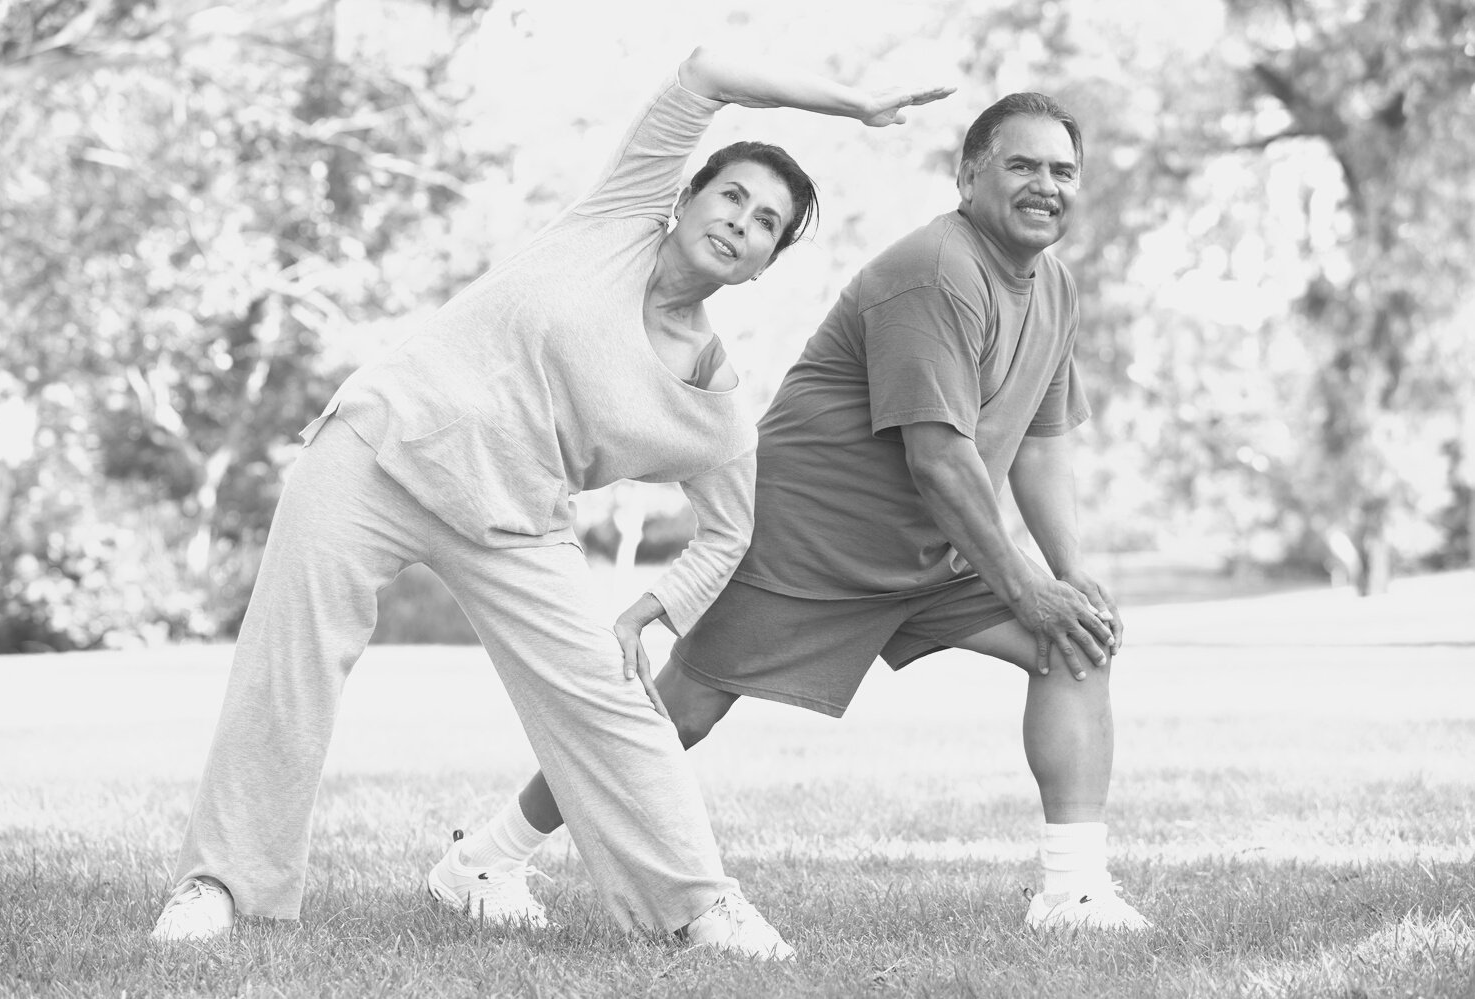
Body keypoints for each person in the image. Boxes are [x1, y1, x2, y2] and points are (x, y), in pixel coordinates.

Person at [149, 46, 954, 958]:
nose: (741, 220)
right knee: (290, 666)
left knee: (617, 701)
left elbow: (730, 530)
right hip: (379, 447)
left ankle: (697, 905)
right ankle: (219, 883)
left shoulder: (714, 403)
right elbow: (704, 73)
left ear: (765, 263)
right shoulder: (615, 218)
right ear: (687, 198)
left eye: (766, 222)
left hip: (512, 522)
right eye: (731, 195)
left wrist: (647, 613)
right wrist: (852, 103)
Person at [455, 91, 1154, 934]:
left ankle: (1070, 892)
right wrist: (1025, 582)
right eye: (1023, 165)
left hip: (933, 545)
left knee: (1073, 640)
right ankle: (485, 860)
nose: (1046, 185)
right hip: (802, 535)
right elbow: (940, 457)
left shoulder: (1054, 287)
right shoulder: (936, 272)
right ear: (969, 176)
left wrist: (1069, 577)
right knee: (681, 714)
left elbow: (1039, 442)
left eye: (1062, 170)